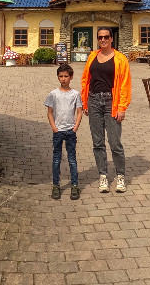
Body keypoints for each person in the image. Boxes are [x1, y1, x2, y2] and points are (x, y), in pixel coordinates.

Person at [81, 27, 131, 193]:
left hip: (111, 102)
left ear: (111, 39)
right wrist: (85, 102)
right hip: (94, 100)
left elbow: (124, 85)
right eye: (100, 37)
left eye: (106, 37)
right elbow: (85, 80)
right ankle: (103, 175)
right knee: (98, 142)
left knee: (115, 142)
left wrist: (122, 108)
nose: (103, 40)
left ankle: (120, 176)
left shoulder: (120, 59)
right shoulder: (92, 57)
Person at [44, 63, 83, 200]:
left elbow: (79, 111)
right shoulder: (53, 94)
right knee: (56, 159)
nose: (63, 79)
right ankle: (56, 185)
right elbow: (50, 112)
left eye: (66, 76)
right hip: (58, 131)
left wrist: (76, 126)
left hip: (70, 131)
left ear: (71, 77)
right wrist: (54, 127)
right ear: (58, 77)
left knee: (72, 159)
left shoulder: (75, 94)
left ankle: (74, 186)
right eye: (60, 76)